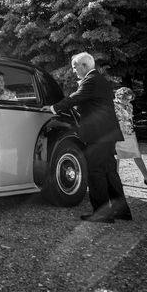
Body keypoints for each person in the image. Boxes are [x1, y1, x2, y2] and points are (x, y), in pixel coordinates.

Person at [43, 52, 132, 223]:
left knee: (96, 172)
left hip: (98, 134)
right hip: (108, 133)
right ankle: (122, 211)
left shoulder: (91, 80)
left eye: (75, 67)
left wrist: (54, 108)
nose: (74, 71)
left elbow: (76, 98)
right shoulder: (101, 80)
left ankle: (102, 214)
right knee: (109, 172)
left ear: (84, 66)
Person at [114, 87, 147, 188]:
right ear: (119, 96)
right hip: (117, 135)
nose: (128, 101)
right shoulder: (112, 105)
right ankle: (116, 181)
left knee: (137, 155)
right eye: (126, 99)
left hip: (129, 134)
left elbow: (130, 119)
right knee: (116, 158)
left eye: (130, 99)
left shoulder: (130, 106)